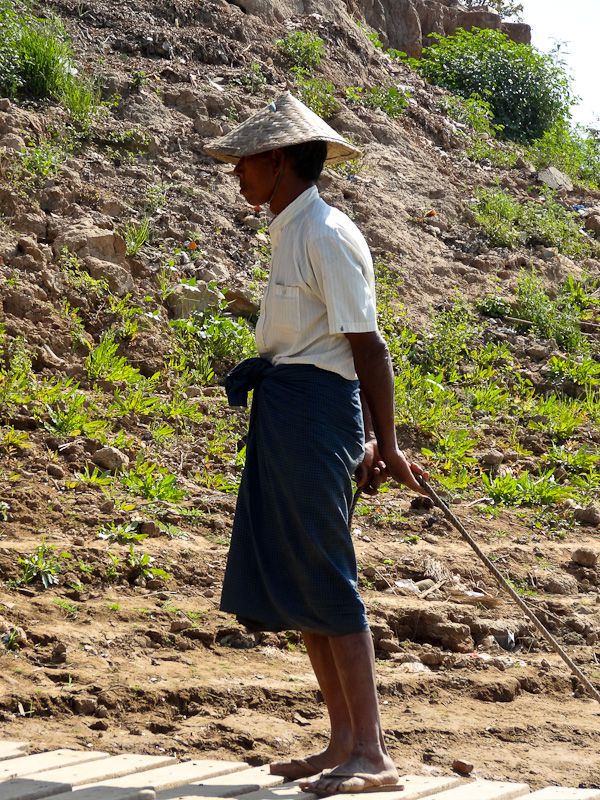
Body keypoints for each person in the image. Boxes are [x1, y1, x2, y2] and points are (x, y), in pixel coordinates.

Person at [205, 92, 428, 797]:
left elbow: (368, 347)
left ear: (276, 160)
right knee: (305, 575)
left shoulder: (325, 234)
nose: (237, 174)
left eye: (244, 162)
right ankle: (341, 742)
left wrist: (383, 444)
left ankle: (372, 751)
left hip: (314, 416)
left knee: (328, 575)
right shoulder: (290, 229)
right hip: (290, 410)